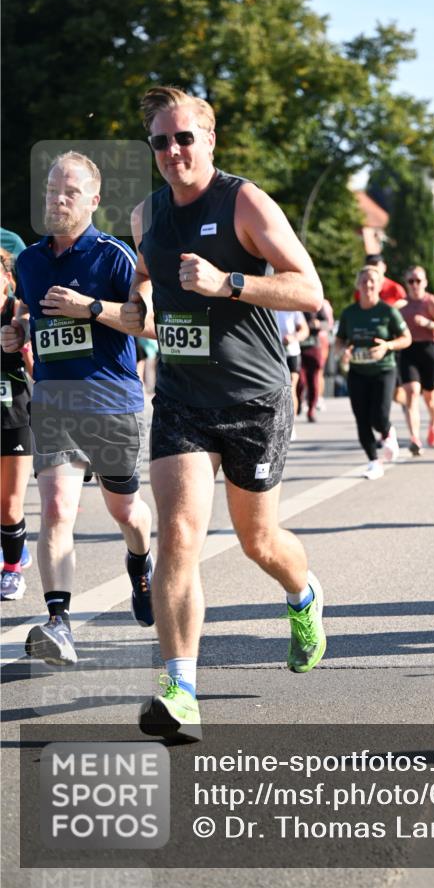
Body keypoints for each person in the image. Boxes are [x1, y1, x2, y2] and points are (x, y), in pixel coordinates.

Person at [121, 86, 326, 743]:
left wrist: (229, 282)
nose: (174, 150)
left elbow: (307, 289)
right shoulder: (144, 216)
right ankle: (180, 689)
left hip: (253, 400)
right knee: (178, 534)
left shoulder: (243, 201)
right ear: (151, 149)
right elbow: (141, 299)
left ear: (209, 140)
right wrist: (119, 316)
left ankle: (303, 595)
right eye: (161, 140)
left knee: (257, 542)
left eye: (185, 137)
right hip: (181, 399)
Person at [1, 152, 154, 664]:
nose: (57, 200)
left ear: (93, 199)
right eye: (50, 192)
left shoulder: (114, 255)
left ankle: (141, 563)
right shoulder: (29, 261)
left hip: (112, 405)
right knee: (56, 510)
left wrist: (88, 308)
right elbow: (31, 317)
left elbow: (145, 323)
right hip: (54, 404)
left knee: (126, 511)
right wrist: (17, 332)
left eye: (69, 192)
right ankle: (58, 622)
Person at [336, 265, 411, 479]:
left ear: (379, 285)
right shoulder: (350, 313)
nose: (368, 285)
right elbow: (340, 340)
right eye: (363, 281)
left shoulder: (388, 312)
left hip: (383, 370)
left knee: (378, 417)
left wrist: (387, 346)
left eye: (372, 281)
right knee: (361, 419)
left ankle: (387, 431)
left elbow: (406, 339)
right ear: (358, 285)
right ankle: (373, 461)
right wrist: (343, 352)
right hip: (357, 372)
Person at [1, 249, 33, 599]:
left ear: (8, 281)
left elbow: (41, 374)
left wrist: (27, 354)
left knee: (9, 504)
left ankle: (12, 571)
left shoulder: (17, 316)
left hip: (16, 417)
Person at [399, 265, 434, 455]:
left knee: (429, 397)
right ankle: (414, 438)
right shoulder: (401, 304)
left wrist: (428, 323)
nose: (414, 285)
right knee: (412, 393)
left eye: (418, 281)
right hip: (407, 351)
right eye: (410, 281)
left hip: (429, 350)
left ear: (425, 282)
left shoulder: (431, 302)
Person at [276, 309, 308, 438]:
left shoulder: (292, 306)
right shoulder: (266, 303)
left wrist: (293, 337)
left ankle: (291, 424)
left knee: (291, 388)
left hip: (292, 352)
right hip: (274, 352)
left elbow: (305, 330)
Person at [297, 306, 330, 422]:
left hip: (313, 347)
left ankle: (311, 410)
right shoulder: (293, 301)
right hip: (297, 347)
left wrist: (319, 324)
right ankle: (299, 401)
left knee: (313, 381)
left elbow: (327, 323)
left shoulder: (316, 303)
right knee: (299, 380)